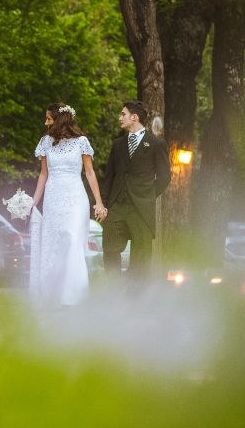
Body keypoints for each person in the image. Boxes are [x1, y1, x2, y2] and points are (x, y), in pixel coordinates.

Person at [29, 103, 107, 307]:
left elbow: (89, 173)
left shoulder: (81, 142)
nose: (45, 122)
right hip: (53, 198)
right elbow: (43, 174)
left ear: (60, 119)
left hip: (75, 198)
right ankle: (53, 294)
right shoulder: (45, 142)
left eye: (48, 118)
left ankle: (74, 296)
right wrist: (32, 203)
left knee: (72, 241)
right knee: (53, 243)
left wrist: (98, 202)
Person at [100, 100, 171, 281]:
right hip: (116, 206)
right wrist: (104, 204)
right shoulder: (117, 144)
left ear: (134, 117)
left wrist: (147, 195)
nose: (120, 118)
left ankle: (136, 295)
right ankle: (113, 290)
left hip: (141, 208)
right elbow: (109, 176)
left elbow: (164, 178)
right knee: (109, 249)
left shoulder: (156, 144)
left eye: (123, 114)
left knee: (141, 253)